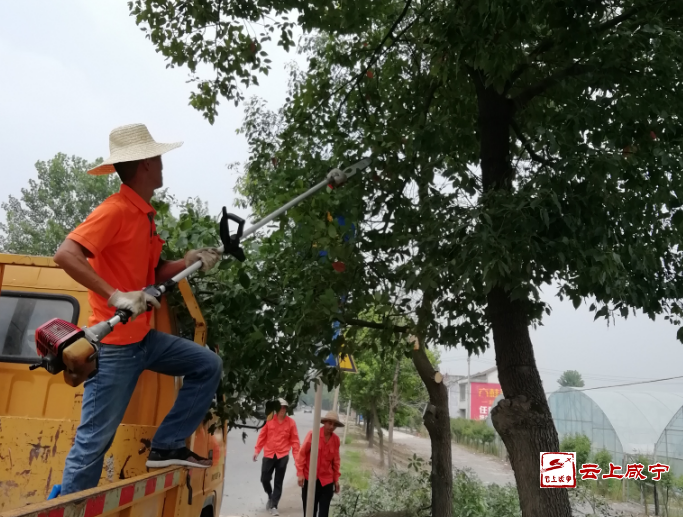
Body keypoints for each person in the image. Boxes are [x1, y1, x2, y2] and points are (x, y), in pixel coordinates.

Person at [53, 123, 224, 495]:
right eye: (158, 158)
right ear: (146, 163)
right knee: (92, 446)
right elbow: (65, 254)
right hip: (113, 347)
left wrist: (189, 261)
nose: (162, 164)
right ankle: (68, 509)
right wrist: (115, 296)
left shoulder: (143, 215)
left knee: (207, 365)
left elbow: (153, 274)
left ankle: (167, 445)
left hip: (143, 339)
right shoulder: (114, 210)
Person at [253, 398, 301, 516]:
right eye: (280, 407)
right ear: (276, 408)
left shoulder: (291, 423)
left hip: (282, 455)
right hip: (269, 454)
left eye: (284, 407)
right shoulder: (269, 421)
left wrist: (297, 458)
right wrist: (257, 451)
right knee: (264, 478)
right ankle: (270, 495)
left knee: (278, 482)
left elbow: (295, 441)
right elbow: (262, 436)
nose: (282, 409)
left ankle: (274, 505)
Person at [296, 411, 343, 517]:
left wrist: (336, 480)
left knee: (324, 513)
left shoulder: (336, 440)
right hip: (310, 479)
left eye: (334, 424)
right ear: (324, 422)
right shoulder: (313, 435)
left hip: (327, 481)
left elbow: (336, 461)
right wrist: (300, 473)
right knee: (309, 512)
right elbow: (301, 454)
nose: (332, 426)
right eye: (329, 423)